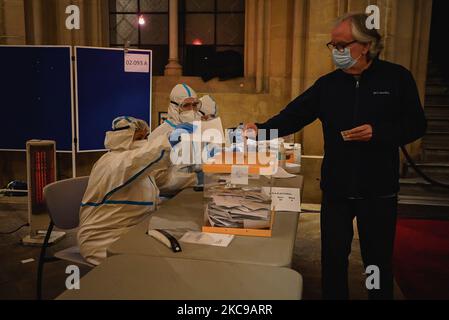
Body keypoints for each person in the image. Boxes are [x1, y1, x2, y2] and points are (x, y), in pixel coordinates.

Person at [245, 13, 427, 300]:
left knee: (376, 263)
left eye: (342, 45)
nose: (337, 52)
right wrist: (260, 130)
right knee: (333, 259)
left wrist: (378, 132)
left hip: (378, 192)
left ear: (365, 46)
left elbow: (417, 124)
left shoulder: (397, 78)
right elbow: (293, 116)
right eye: (333, 46)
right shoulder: (328, 85)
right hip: (336, 190)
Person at [78, 116, 194, 265]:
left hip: (132, 230)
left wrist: (196, 178)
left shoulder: (137, 165)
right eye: (140, 137)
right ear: (123, 138)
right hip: (103, 238)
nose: (145, 141)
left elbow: (165, 182)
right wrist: (167, 141)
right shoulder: (113, 163)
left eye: (146, 136)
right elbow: (137, 160)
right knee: (164, 265)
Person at [150, 84, 204, 195]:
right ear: (174, 107)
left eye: (195, 105)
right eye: (186, 105)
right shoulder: (159, 134)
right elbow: (154, 179)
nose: (192, 110)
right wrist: (193, 178)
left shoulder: (198, 130)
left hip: (194, 193)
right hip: (168, 200)